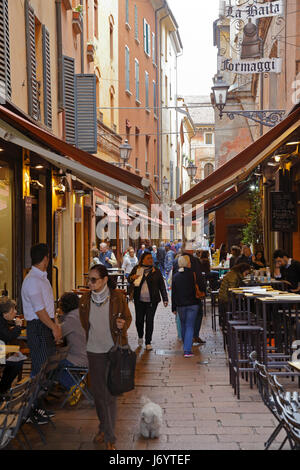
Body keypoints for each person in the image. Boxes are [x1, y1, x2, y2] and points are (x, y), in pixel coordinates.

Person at [79, 264, 132, 450]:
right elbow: (85, 324)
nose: (90, 283)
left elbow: (127, 317)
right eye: (89, 279)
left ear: (104, 280)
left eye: (94, 279)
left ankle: (110, 437)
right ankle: (103, 426)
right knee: (98, 395)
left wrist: (121, 324)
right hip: (94, 352)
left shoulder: (117, 297)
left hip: (113, 351)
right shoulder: (85, 300)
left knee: (110, 395)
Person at [21, 243, 61, 423]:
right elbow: (39, 310)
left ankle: (37, 406)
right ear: (45, 258)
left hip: (45, 325)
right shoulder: (32, 281)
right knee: (39, 369)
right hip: (38, 328)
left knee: (46, 368)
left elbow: (48, 307)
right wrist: (54, 327)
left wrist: (55, 324)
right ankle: (30, 411)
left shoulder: (42, 278)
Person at [128, 252, 168, 350]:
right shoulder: (137, 269)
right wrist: (132, 277)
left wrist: (165, 298)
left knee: (149, 321)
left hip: (152, 300)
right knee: (139, 320)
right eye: (148, 258)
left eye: (151, 258)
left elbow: (162, 286)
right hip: (139, 300)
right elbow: (129, 280)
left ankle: (148, 342)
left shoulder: (156, 271)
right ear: (143, 260)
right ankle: (140, 336)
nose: (151, 260)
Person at [57, 292, 89, 406]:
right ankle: (75, 382)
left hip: (79, 358)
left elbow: (58, 333)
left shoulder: (71, 318)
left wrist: (58, 317)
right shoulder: (81, 313)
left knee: (51, 365)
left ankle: (73, 384)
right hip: (89, 355)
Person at [173, 249, 207, 345]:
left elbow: (174, 286)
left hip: (180, 300)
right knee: (192, 322)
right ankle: (193, 338)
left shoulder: (177, 261)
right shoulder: (194, 261)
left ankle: (186, 343)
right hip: (193, 299)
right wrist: (203, 291)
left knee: (184, 323)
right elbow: (199, 279)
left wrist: (174, 305)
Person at [172, 256, 202, 358]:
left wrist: (173, 307)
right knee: (190, 326)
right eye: (189, 262)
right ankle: (187, 350)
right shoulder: (193, 274)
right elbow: (200, 285)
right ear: (187, 263)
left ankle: (186, 346)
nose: (190, 263)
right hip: (193, 303)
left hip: (180, 305)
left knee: (184, 325)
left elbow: (174, 293)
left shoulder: (176, 276)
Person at [0, 299, 25, 396]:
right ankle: (2, 390)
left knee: (17, 360)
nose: (15, 312)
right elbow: (8, 336)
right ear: (6, 313)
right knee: (16, 362)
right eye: (13, 310)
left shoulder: (3, 320)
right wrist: (18, 326)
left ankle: (3, 390)